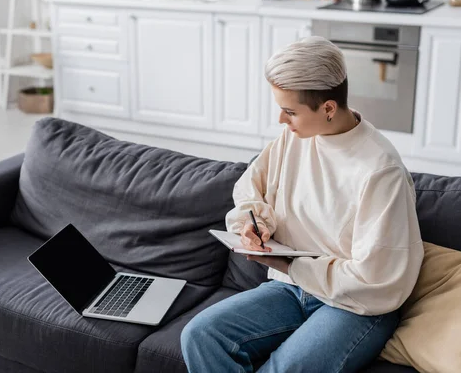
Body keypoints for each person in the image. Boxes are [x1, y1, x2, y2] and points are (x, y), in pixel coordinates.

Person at [180, 36, 424, 373]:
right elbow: (250, 188)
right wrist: (256, 222)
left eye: (290, 110)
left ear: (327, 108)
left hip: (356, 307)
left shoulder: (382, 172)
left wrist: (289, 264)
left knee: (287, 367)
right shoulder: (293, 138)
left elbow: (376, 282)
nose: (281, 119)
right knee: (200, 334)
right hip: (292, 290)